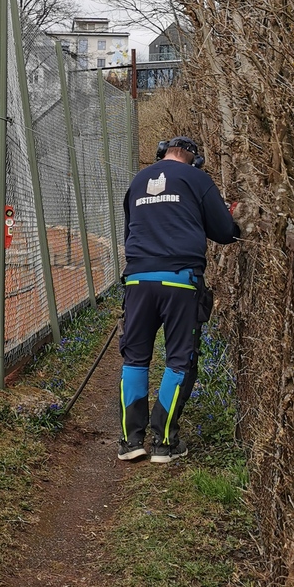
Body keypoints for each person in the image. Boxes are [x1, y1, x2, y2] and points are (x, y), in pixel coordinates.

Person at [118, 136, 239, 464]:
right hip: (180, 280)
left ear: (161, 154)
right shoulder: (197, 179)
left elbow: (130, 231)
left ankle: (131, 441)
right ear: (194, 160)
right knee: (179, 360)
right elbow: (225, 231)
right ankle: (164, 442)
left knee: (135, 358)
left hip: (138, 280)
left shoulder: (138, 181)